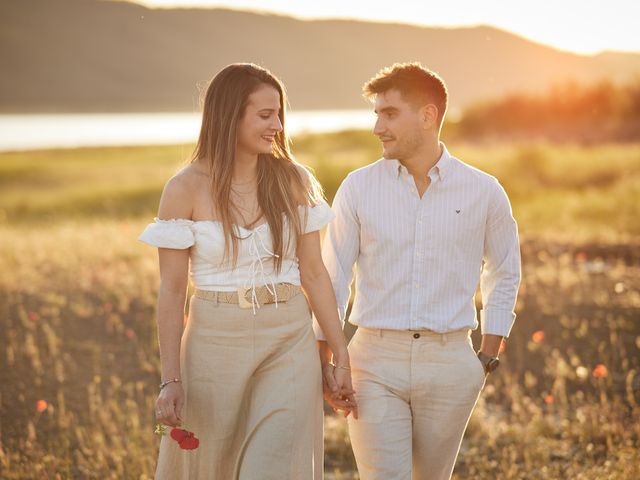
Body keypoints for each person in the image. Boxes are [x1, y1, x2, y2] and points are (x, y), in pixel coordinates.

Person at [139, 63, 356, 480]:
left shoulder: (294, 180)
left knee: (274, 468)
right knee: (210, 464)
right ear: (229, 115)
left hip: (288, 339)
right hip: (213, 344)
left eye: (279, 114)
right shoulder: (184, 188)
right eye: (264, 115)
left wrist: (340, 353)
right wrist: (170, 379)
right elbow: (170, 291)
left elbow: (313, 274)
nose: (277, 125)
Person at [316, 62, 521, 480]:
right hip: (373, 361)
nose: (377, 127)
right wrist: (326, 358)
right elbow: (332, 276)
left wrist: (487, 356)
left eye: (389, 113)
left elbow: (503, 271)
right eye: (376, 114)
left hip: (450, 362)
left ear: (428, 116)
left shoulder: (485, 191)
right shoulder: (358, 187)